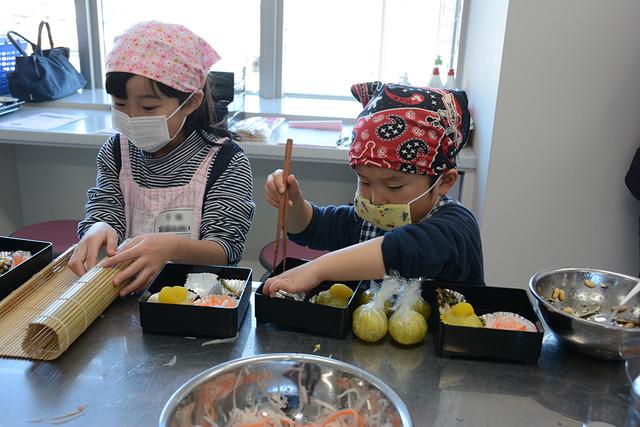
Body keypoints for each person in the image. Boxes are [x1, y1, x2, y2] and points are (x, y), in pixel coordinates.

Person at [69, 21, 255, 296]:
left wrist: (173, 248)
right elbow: (105, 210)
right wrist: (98, 227)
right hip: (125, 297)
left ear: (191, 102)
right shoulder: (116, 152)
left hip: (197, 305)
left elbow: (225, 249)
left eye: (148, 107)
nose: (131, 117)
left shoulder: (226, 161)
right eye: (120, 104)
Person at [263, 81, 483, 297]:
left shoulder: (456, 228)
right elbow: (313, 227)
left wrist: (317, 269)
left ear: (444, 182)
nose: (376, 199)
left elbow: (400, 250)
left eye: (394, 186)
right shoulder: (369, 219)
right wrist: (293, 203)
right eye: (365, 182)